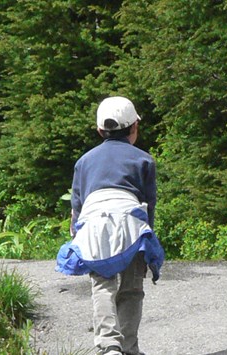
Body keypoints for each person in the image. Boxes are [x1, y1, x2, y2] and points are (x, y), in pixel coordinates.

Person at [56, 96, 163, 355]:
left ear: (100, 130)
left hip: (94, 222)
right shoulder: (144, 159)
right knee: (132, 288)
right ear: (134, 127)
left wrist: (77, 237)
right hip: (130, 222)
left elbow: (77, 205)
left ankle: (109, 346)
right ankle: (128, 348)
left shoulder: (83, 161)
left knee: (102, 285)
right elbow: (149, 203)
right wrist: (148, 241)